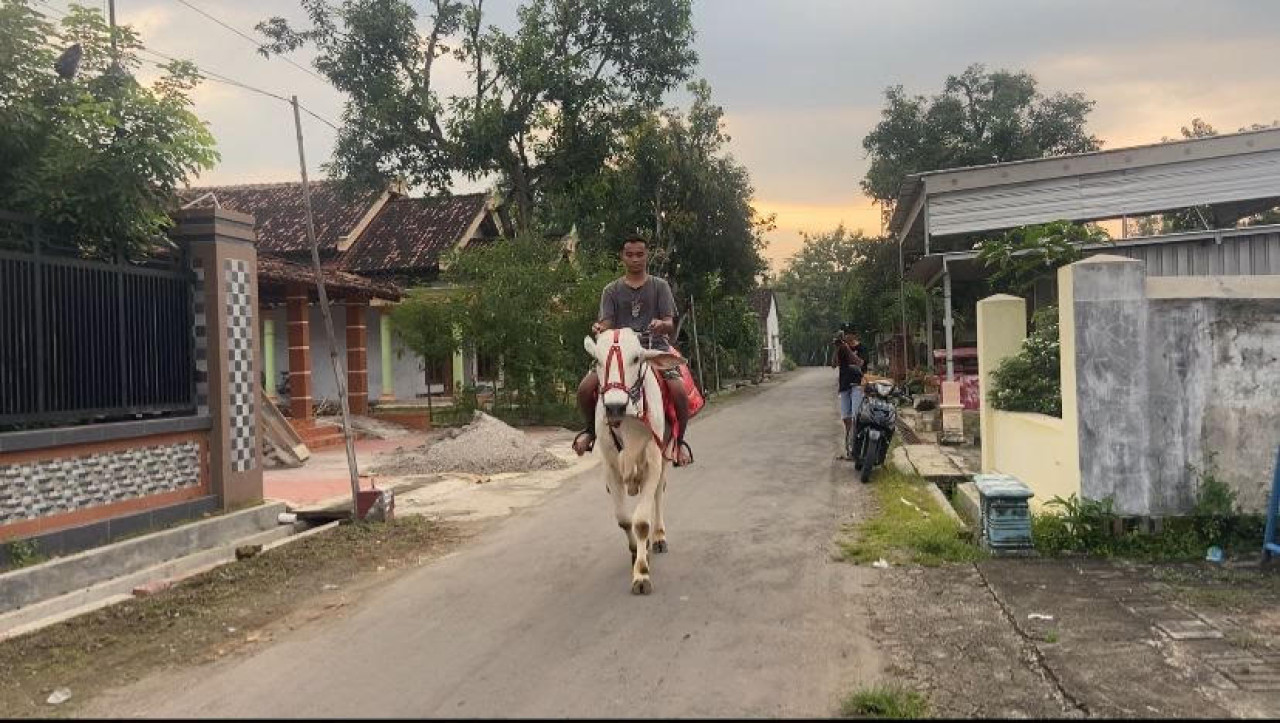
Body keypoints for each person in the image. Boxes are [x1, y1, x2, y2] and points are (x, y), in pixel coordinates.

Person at [572, 236, 694, 466]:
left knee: (678, 390)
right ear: (622, 257)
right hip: (619, 353)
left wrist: (662, 325)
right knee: (584, 388)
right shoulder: (611, 290)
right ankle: (591, 431)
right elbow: (606, 323)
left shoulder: (660, 286)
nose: (635, 259)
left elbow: (670, 322)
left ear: (647, 256)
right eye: (630, 254)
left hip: (652, 347)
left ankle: (680, 441)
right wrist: (600, 328)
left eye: (640, 254)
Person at [830, 325, 865, 459]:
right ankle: (849, 447)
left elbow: (861, 363)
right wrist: (837, 348)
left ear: (854, 335)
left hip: (857, 384)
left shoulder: (860, 348)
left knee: (856, 416)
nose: (847, 337)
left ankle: (856, 447)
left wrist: (847, 349)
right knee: (846, 418)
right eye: (845, 335)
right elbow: (833, 364)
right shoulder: (841, 348)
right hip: (844, 385)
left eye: (849, 334)